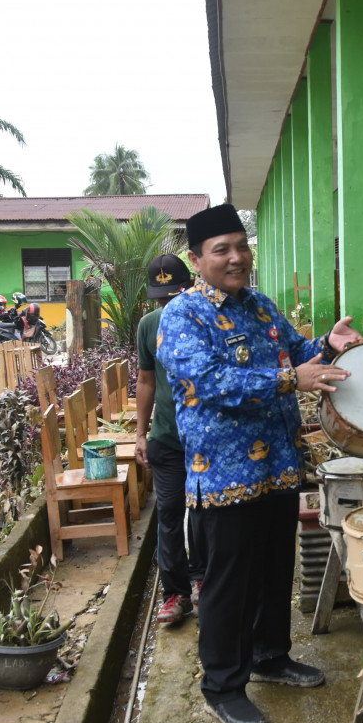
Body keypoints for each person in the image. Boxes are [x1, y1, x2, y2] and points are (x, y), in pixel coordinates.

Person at [157, 204, 362, 723]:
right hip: (223, 476)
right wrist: (293, 379)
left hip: (278, 466)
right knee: (229, 585)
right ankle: (223, 685)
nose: (236, 257)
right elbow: (210, 380)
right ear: (196, 259)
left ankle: (271, 657)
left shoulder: (261, 306)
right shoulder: (183, 315)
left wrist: (328, 345)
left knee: (275, 569)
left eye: (240, 246)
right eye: (221, 249)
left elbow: (297, 354)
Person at [135, 254, 204, 625]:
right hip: (166, 437)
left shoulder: (206, 318)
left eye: (173, 295)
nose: (168, 305)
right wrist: (139, 433)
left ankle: (203, 579)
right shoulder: (148, 326)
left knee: (208, 512)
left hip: (208, 439)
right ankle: (175, 593)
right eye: (161, 299)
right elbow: (145, 381)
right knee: (170, 515)